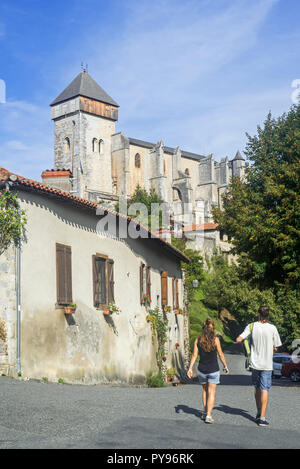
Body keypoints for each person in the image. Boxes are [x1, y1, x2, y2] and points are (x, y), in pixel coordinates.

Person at [236, 305, 282, 427]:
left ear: (258, 314)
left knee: (256, 388)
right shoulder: (273, 328)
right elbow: (276, 346)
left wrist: (247, 343)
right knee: (264, 389)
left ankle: (258, 411)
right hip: (267, 364)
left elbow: (239, 339)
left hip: (255, 364)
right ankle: (262, 417)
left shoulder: (251, 326)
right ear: (268, 315)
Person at [187, 318, 229, 424]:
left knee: (205, 391)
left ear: (203, 328)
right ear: (212, 328)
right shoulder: (216, 340)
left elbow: (194, 355)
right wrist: (225, 366)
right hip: (213, 370)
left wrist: (190, 368)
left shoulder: (198, 340)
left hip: (202, 369)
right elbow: (220, 354)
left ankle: (205, 412)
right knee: (211, 392)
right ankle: (209, 416)